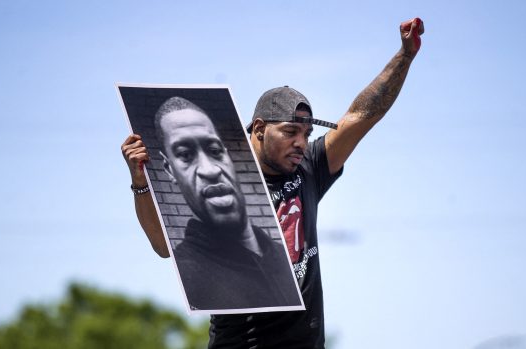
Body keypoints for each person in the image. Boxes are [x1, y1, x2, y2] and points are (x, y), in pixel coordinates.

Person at [121, 17, 424, 348]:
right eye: (291, 132)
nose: (301, 143)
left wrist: (404, 57)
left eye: (307, 134)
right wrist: (141, 183)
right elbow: (164, 246)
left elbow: (361, 116)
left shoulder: (309, 167)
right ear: (260, 129)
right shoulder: (219, 177)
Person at [124, 96, 302, 310]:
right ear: (170, 169)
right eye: (186, 155)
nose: (210, 170)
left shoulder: (280, 253)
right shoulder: (191, 266)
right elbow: (162, 247)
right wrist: (140, 182)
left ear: (228, 157)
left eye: (215, 151)